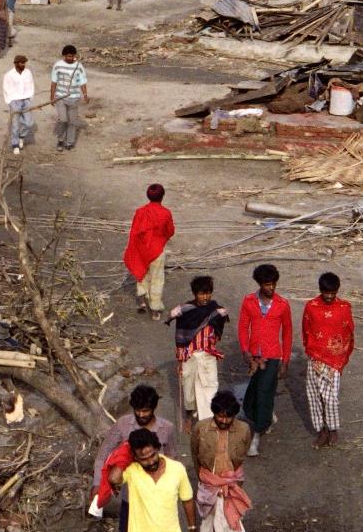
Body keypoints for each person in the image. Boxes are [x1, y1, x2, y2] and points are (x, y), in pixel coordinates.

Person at [89, 385, 173, 532]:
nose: (141, 415)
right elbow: (103, 454)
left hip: (156, 493)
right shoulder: (122, 424)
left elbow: (172, 459)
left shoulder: (166, 428)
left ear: (154, 408)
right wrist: (97, 483)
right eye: (138, 410)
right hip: (130, 493)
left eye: (146, 411)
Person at [191, 390, 253, 532]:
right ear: (214, 413)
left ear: (234, 415)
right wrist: (207, 479)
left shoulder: (244, 430)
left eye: (228, 417)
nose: (223, 420)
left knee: (228, 529)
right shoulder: (201, 428)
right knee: (209, 526)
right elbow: (195, 456)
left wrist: (229, 481)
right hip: (208, 484)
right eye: (220, 416)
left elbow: (241, 457)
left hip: (230, 487)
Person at [238, 263, 293, 456]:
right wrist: (245, 351)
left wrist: (285, 361)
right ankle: (267, 415)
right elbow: (243, 328)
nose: (271, 288)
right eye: (267, 284)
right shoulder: (248, 302)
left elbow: (287, 333)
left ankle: (257, 435)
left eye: (273, 284)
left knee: (263, 393)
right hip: (254, 356)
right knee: (252, 397)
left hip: (273, 356)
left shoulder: (283, 305)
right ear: (260, 284)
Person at [302, 272, 355, 448]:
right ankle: (321, 430)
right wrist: (311, 353)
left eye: (333, 293)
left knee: (331, 398)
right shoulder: (311, 307)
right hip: (315, 358)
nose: (330, 296)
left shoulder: (344, 308)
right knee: (314, 396)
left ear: (337, 291)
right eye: (326, 293)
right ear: (321, 290)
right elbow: (306, 331)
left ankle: (333, 429)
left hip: (334, 361)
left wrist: (340, 360)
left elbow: (348, 333)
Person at [167, 275, 226, 422]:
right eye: (201, 293)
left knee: (210, 387)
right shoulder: (186, 311)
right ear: (194, 294)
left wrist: (214, 340)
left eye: (208, 293)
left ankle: (206, 421)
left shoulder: (215, 310)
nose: (205, 297)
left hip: (208, 355)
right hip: (189, 356)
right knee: (188, 388)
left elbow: (219, 328)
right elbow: (180, 337)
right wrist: (180, 361)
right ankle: (190, 414)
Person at [122, 183, 176, 317]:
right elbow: (170, 231)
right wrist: (162, 239)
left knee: (143, 270)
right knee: (157, 278)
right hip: (157, 251)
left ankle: (141, 297)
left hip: (142, 249)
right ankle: (154, 308)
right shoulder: (166, 213)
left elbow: (134, 232)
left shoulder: (140, 212)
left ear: (148, 196)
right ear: (162, 196)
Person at [49, 44, 88, 151]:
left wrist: (85, 95)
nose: (70, 58)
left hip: (74, 97)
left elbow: (82, 82)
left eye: (72, 56)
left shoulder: (78, 66)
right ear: (64, 56)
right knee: (63, 119)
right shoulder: (58, 65)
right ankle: (60, 139)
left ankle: (69, 142)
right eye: (68, 56)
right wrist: (52, 96)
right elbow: (54, 81)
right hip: (60, 97)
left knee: (72, 121)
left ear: (74, 56)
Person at [2, 53, 35, 155]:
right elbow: (5, 88)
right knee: (15, 124)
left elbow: (31, 84)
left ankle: (22, 136)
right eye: (21, 63)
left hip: (26, 99)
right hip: (14, 100)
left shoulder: (28, 72)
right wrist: (10, 101)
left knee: (29, 123)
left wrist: (30, 97)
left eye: (24, 63)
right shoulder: (9, 74)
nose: (23, 65)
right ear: (16, 63)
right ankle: (15, 144)